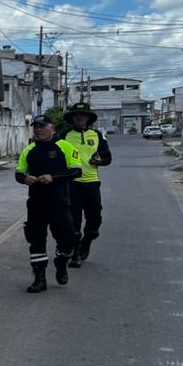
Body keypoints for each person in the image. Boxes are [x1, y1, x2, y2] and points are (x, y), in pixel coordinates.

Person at [15, 115, 82, 293]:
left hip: (60, 202)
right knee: (36, 240)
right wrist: (24, 178)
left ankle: (62, 262)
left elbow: (77, 171)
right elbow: (19, 172)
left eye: (43, 126)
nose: (38, 130)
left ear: (53, 128)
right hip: (36, 203)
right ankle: (39, 279)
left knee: (68, 239)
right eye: (36, 127)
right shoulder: (29, 150)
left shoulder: (66, 147)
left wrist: (54, 178)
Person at [58, 102, 112, 267]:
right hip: (71, 184)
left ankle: (86, 242)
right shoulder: (64, 136)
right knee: (73, 221)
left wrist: (100, 161)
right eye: (76, 115)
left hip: (92, 183)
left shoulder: (97, 135)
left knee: (95, 220)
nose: (80, 118)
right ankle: (75, 254)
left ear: (88, 118)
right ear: (72, 118)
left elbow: (107, 158)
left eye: (83, 115)